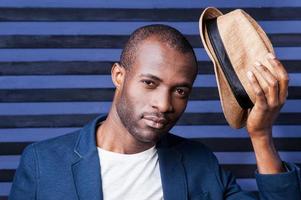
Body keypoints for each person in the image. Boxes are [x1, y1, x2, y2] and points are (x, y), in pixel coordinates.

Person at [9, 24, 301, 200]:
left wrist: (261, 135)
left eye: (180, 91)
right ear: (119, 76)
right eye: (150, 83)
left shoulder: (200, 164)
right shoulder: (42, 163)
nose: (164, 104)